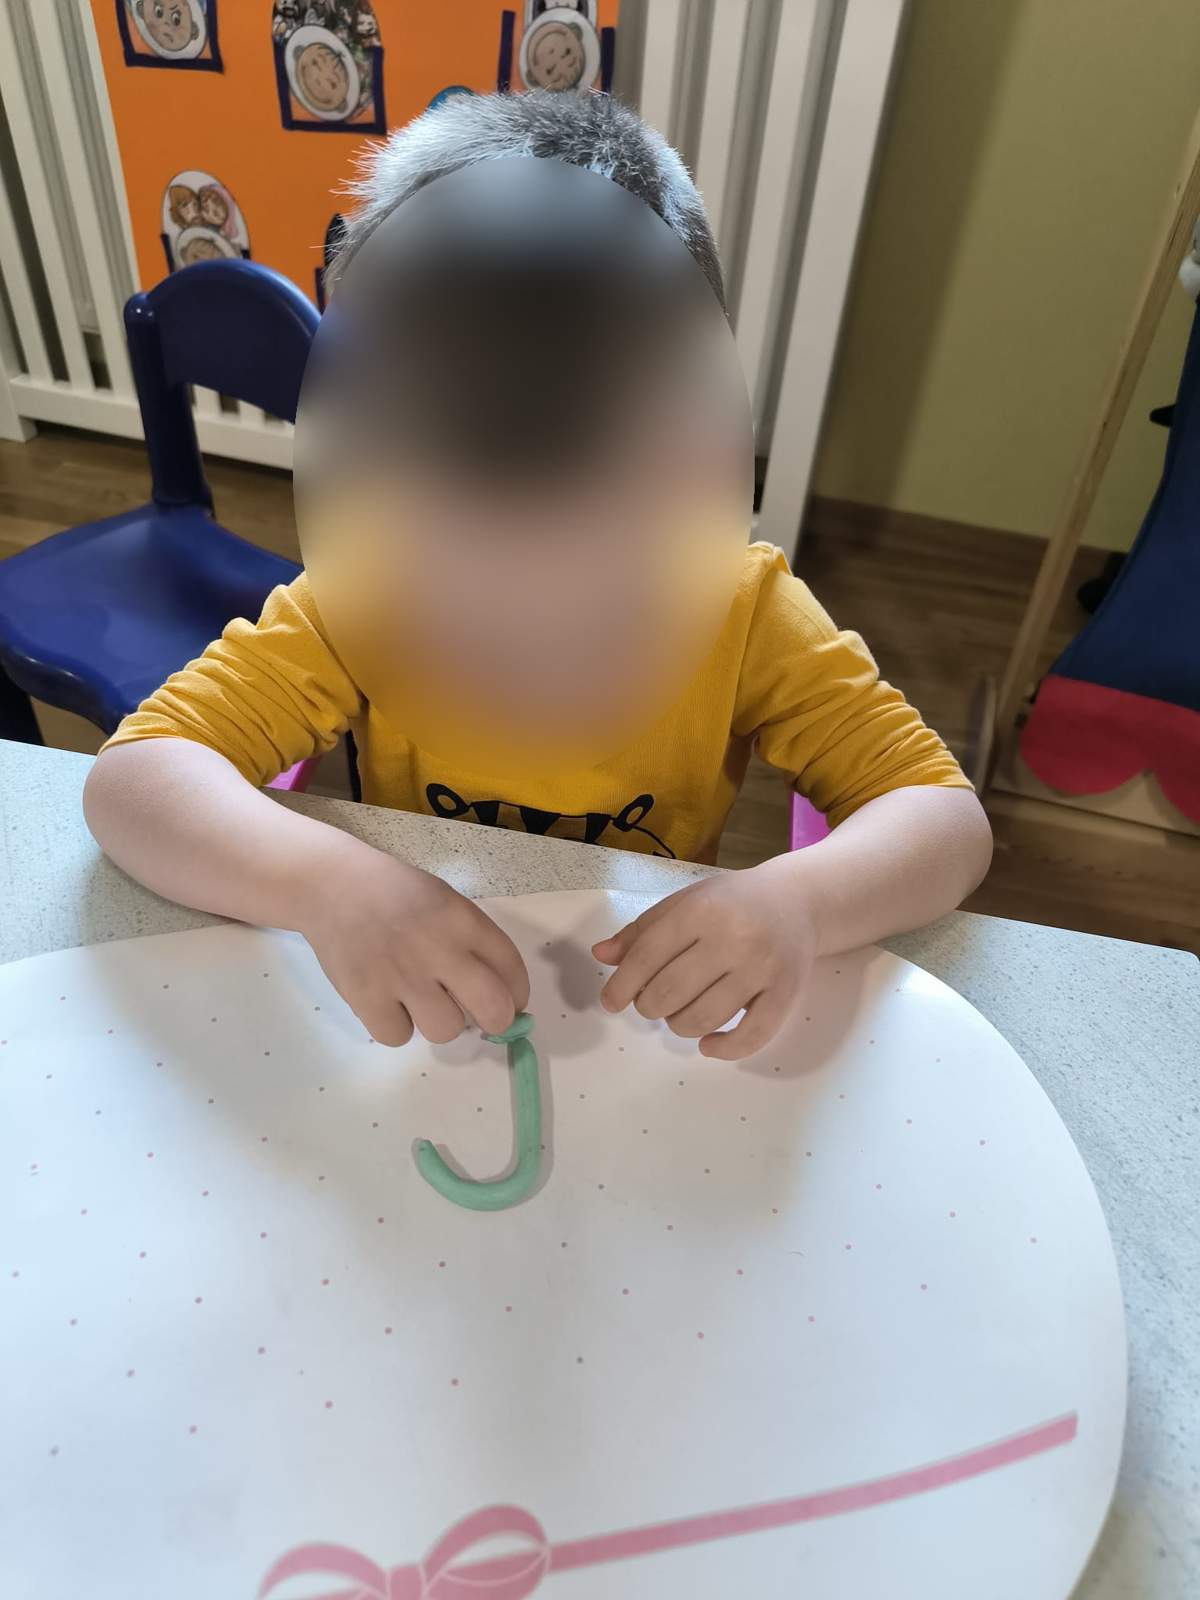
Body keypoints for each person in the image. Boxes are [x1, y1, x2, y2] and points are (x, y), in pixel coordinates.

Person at [84, 91, 992, 1062]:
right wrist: (330, 884)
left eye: (611, 617)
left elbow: (945, 823)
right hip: (430, 1017)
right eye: (469, 622)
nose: (540, 678)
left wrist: (797, 902)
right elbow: (135, 783)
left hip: (642, 1030)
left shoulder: (744, 609)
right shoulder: (370, 590)